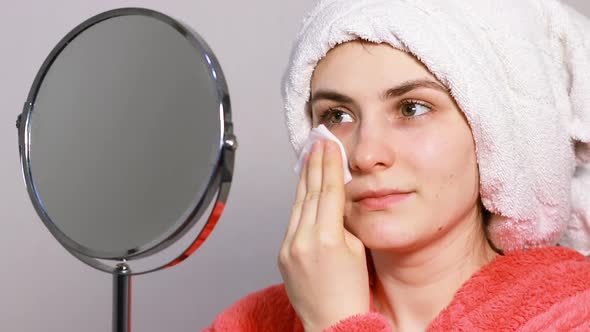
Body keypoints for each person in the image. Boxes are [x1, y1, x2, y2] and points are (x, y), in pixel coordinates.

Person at [204, 0, 590, 330]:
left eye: (412, 109)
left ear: (496, 134)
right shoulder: (248, 323)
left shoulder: (573, 313)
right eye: (337, 115)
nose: (366, 154)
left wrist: (336, 323)